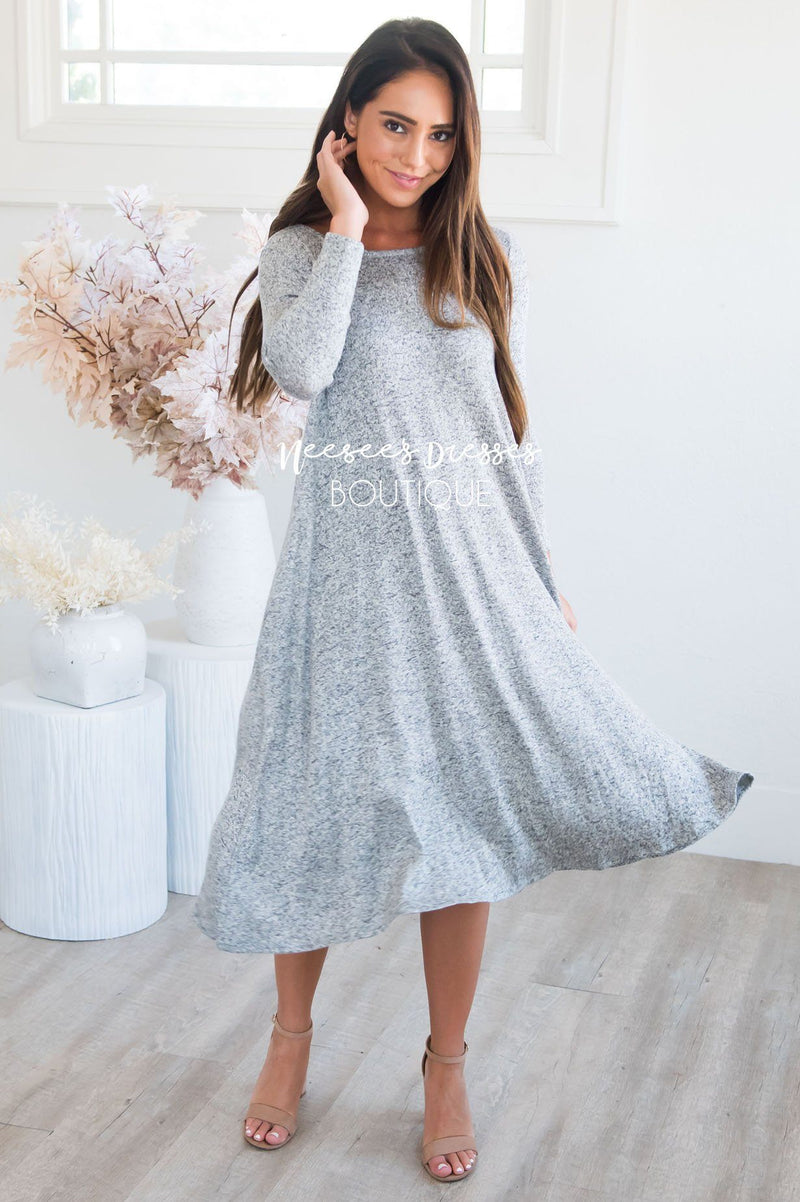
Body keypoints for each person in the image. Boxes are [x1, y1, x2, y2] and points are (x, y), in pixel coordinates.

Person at [193, 17, 754, 1184]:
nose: (416, 155)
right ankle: (289, 1038)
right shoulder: (305, 248)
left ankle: (443, 1061)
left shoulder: (483, 256)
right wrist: (346, 226)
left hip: (465, 579)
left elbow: (506, 437)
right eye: (394, 126)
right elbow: (301, 369)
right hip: (341, 587)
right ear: (347, 123)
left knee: (460, 828)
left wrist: (539, 582)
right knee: (309, 812)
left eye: (440, 134)